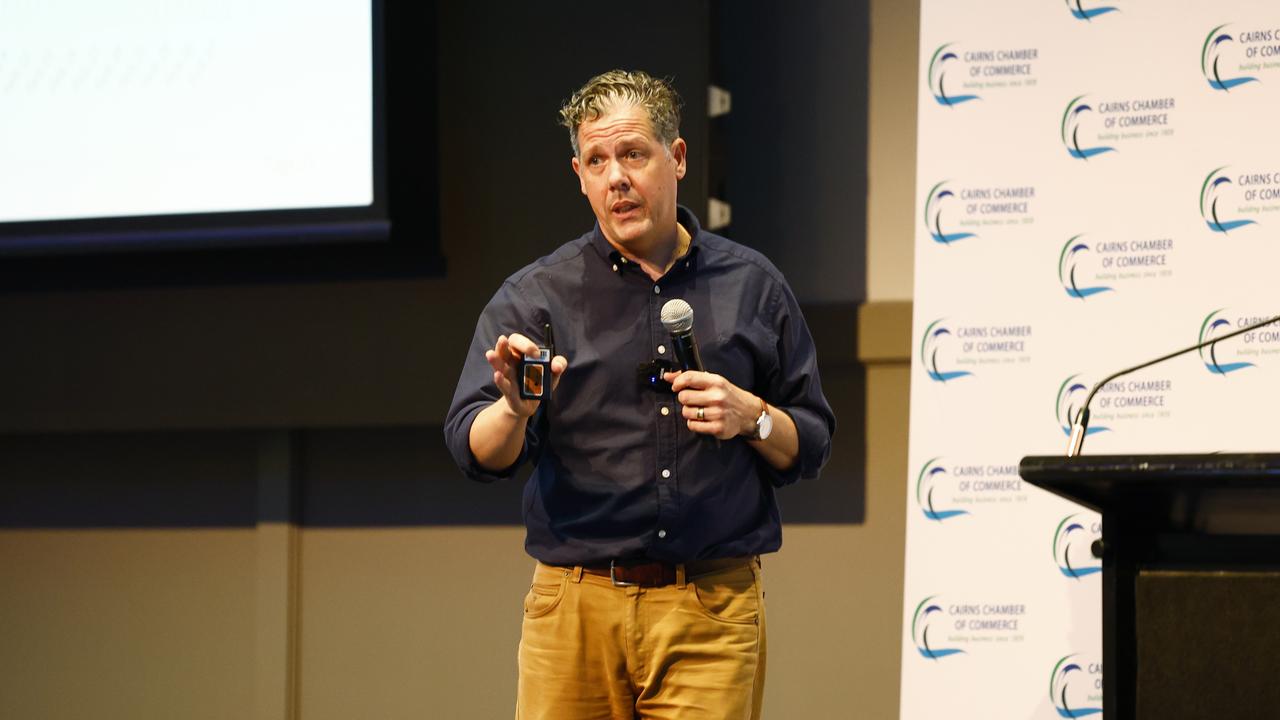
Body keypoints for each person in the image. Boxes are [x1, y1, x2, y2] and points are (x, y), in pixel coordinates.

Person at [444, 69, 835, 720]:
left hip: (710, 610)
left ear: (676, 158)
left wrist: (754, 417)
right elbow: (474, 451)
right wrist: (514, 409)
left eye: (632, 154)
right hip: (575, 610)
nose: (615, 177)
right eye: (596, 160)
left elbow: (810, 444)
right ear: (579, 174)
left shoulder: (753, 286)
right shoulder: (537, 297)